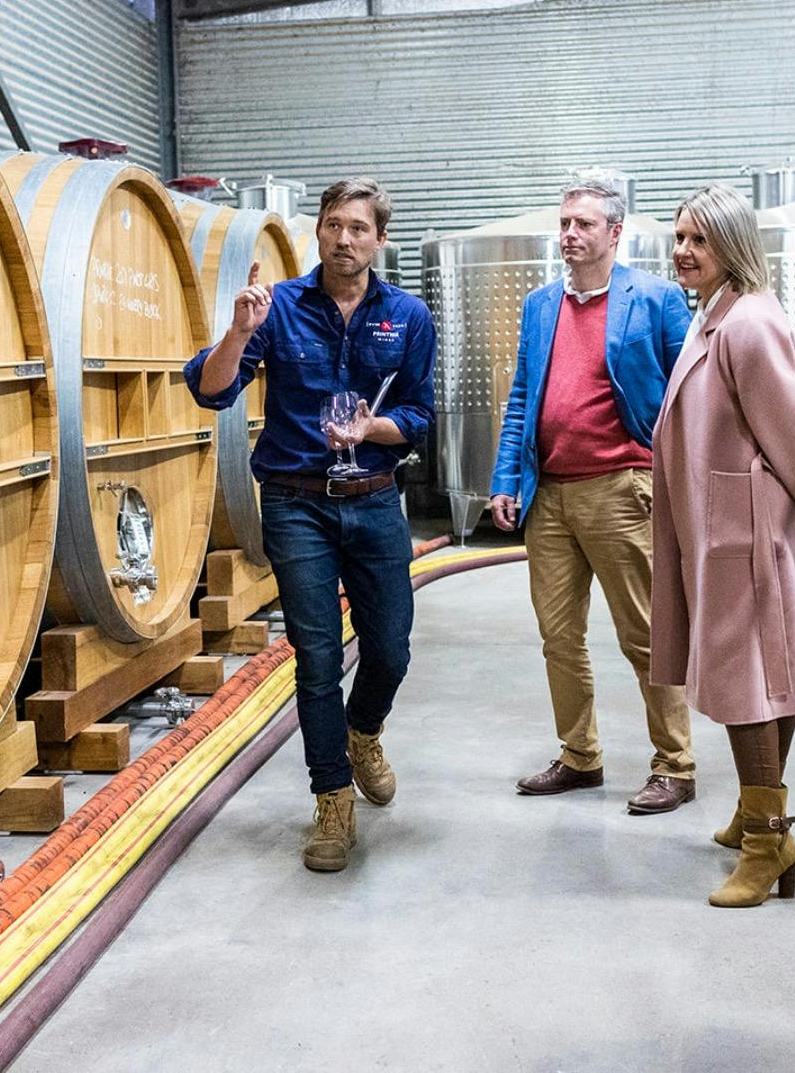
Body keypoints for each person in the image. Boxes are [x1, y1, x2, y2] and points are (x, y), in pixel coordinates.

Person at [184, 177, 434, 873]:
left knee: (390, 650)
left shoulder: (408, 316)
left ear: (380, 239)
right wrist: (239, 332)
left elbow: (419, 414)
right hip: (297, 503)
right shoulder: (278, 306)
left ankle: (363, 733)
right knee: (318, 656)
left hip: (375, 497)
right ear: (318, 230)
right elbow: (210, 389)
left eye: (358, 228)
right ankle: (331, 798)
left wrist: (373, 428)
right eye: (333, 225)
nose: (344, 238)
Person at [648, 182, 795, 908]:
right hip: (723, 526)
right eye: (679, 237)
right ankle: (754, 805)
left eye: (699, 239)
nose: (683, 250)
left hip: (751, 531)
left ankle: (768, 842)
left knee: (748, 682)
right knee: (760, 675)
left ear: (731, 245)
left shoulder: (748, 324)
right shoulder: (715, 315)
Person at [488, 178, 698, 813]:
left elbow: (692, 393)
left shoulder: (656, 298)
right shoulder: (540, 305)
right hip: (549, 493)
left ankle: (676, 765)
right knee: (559, 636)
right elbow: (522, 396)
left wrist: (670, 475)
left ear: (614, 232)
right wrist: (504, 479)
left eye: (583, 223)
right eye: (564, 223)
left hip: (622, 488)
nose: (570, 234)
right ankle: (580, 755)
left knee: (646, 634)